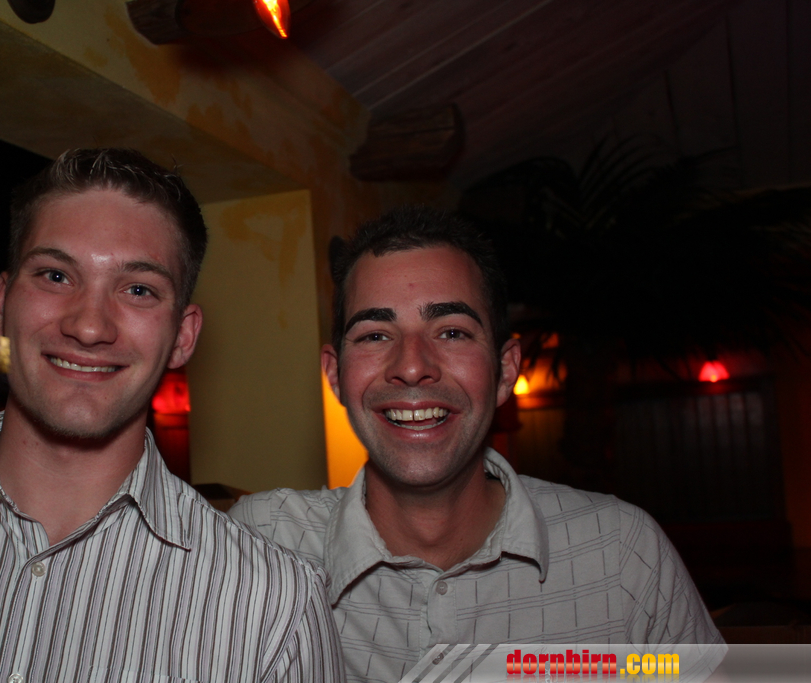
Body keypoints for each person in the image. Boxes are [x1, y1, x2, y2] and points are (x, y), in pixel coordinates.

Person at [0, 148, 344, 682]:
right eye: (56, 276)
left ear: (183, 335)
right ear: (1, 303)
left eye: (138, 289)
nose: (89, 326)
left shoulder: (275, 608)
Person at [229, 205, 723, 680]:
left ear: (505, 370)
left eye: (451, 332)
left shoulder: (623, 553)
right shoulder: (262, 545)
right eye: (376, 335)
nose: (412, 365)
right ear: (336, 374)